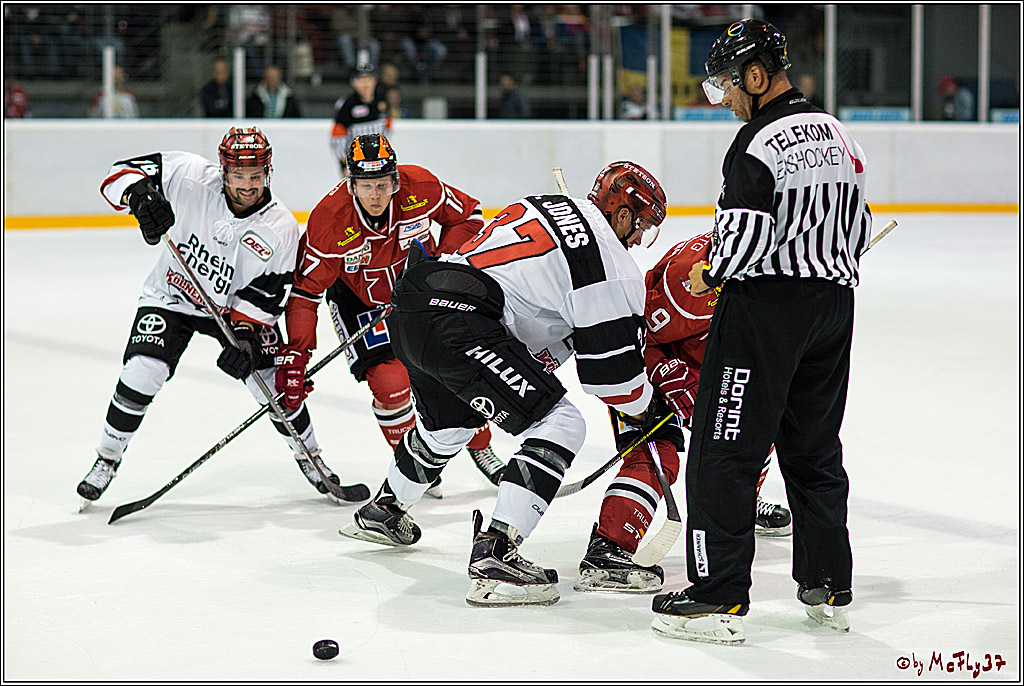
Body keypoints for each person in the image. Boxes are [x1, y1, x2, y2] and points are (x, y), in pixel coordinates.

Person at [339, 160, 675, 609]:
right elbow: (615, 382)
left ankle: (383, 510)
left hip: (415, 303)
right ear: (623, 213)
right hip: (461, 320)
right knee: (562, 424)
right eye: (641, 226)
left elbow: (531, 318)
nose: (637, 240)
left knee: (449, 426)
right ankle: (495, 556)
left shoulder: (546, 204)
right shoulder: (612, 266)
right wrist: (652, 409)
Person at [650, 19, 871, 644]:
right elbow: (859, 223)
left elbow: (742, 243)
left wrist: (706, 273)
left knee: (724, 448)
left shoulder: (755, 143)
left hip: (765, 313)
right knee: (814, 448)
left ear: (756, 74)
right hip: (833, 307)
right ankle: (829, 581)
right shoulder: (835, 131)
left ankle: (717, 592)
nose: (726, 101)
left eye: (727, 86)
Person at [77, 127, 344, 509]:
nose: (247, 185)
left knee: (272, 386)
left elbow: (264, 297)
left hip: (231, 312)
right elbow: (116, 175)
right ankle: (106, 458)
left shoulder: (281, 226)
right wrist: (139, 194)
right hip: (171, 296)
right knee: (142, 371)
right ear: (223, 170)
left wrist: (247, 337)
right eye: (239, 175)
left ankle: (310, 456)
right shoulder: (187, 174)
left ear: (267, 171)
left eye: (255, 176)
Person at [277, 133, 507, 493]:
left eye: (382, 184)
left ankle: (481, 446)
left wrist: (441, 264)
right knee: (391, 383)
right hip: (360, 303)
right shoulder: (328, 221)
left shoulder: (421, 186)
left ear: (396, 180)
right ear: (351, 183)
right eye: (366, 186)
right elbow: (306, 294)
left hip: (420, 293)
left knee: (454, 367)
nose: (375, 195)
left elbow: (469, 215)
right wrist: (297, 354)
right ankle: (412, 461)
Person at [574, 228, 793, 595]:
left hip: (709, 366)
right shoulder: (690, 277)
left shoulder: (780, 260)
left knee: (759, 425)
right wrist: (664, 376)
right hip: (649, 367)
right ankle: (607, 551)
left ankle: (743, 503)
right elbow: (636, 336)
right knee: (656, 456)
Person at [330, 63, 392, 178]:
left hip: (379, 160)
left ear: (375, 81)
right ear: (354, 83)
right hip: (356, 161)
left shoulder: (382, 100)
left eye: (368, 79)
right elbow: (337, 136)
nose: (365, 84)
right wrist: (344, 163)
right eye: (361, 80)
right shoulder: (347, 105)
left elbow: (387, 127)